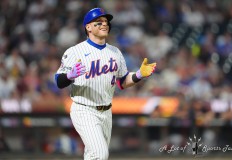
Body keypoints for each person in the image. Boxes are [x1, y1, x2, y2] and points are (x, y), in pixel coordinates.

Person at [55, 8, 156, 160]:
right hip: (84, 109)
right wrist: (69, 75)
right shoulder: (76, 51)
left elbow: (122, 83)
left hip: (106, 111)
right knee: (100, 154)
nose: (104, 24)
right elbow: (58, 81)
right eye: (99, 22)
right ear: (88, 27)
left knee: (93, 155)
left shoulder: (115, 52)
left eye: (106, 22)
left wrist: (139, 75)